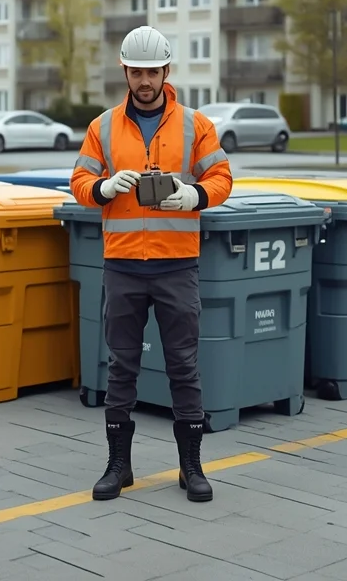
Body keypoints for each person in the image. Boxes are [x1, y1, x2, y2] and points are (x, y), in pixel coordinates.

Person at [70, 25, 233, 503]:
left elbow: (222, 177)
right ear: (125, 71)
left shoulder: (195, 125)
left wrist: (194, 194)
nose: (144, 80)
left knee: (184, 366)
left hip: (176, 266)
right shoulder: (101, 127)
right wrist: (103, 188)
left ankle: (192, 467)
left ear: (166, 71)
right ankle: (118, 466)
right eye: (136, 71)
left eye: (152, 72)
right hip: (122, 266)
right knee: (121, 366)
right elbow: (80, 181)